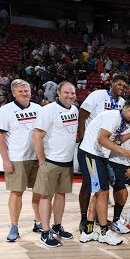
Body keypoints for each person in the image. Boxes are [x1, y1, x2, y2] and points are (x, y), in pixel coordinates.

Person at [78, 100, 130, 245]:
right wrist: (124, 151)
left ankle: (88, 231)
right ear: (124, 108)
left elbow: (115, 139)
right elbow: (102, 138)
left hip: (98, 156)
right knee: (102, 192)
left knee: (99, 192)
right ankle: (103, 232)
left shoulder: (121, 121)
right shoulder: (113, 116)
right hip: (91, 154)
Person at [77, 74, 128, 232]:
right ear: (112, 83)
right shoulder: (98, 95)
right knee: (89, 184)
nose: (121, 88)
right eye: (119, 84)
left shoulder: (123, 104)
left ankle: (100, 217)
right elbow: (83, 115)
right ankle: (85, 218)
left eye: (124, 86)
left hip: (107, 151)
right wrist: (82, 136)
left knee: (102, 186)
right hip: (91, 148)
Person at [32, 81, 79, 247]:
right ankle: (45, 233)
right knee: (46, 197)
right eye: (66, 93)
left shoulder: (74, 110)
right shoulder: (48, 110)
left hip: (67, 162)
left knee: (61, 195)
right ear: (58, 93)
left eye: (72, 93)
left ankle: (57, 227)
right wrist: (42, 161)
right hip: (50, 161)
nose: (70, 96)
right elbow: (37, 136)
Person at [0, 79, 42, 242]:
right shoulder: (5, 110)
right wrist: (5, 160)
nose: (24, 93)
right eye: (20, 91)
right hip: (17, 158)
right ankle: (14, 226)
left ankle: (38, 222)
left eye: (27, 90)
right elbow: (0, 136)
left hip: (37, 157)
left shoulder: (38, 108)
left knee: (39, 191)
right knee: (17, 193)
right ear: (13, 93)